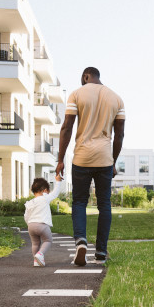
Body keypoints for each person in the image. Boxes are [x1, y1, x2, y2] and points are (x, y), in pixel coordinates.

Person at [55, 67, 125, 266]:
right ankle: (101, 252)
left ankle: (81, 242)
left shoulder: (77, 94)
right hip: (104, 158)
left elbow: (66, 127)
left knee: (79, 202)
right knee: (104, 204)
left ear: (86, 76)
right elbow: (119, 135)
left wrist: (60, 159)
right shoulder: (117, 98)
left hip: (82, 157)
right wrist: (113, 160)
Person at [24, 175, 63, 267]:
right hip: (42, 225)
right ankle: (40, 254)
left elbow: (26, 216)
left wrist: (29, 224)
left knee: (35, 243)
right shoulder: (45, 198)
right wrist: (58, 181)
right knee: (48, 240)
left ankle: (36, 261)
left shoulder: (29, 203)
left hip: (31, 226)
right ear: (45, 190)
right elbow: (55, 193)